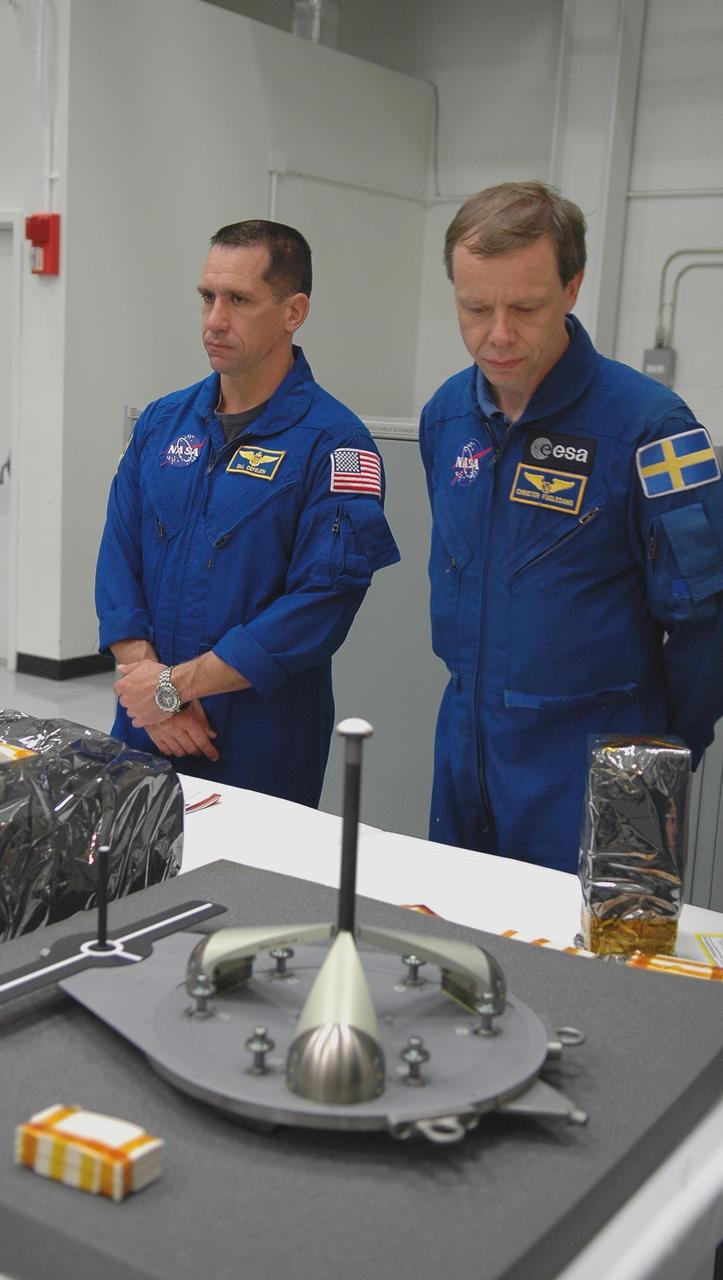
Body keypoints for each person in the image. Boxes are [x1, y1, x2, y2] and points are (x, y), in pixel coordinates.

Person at [420, 181, 723, 874]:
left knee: (599, 970)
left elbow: (704, 622)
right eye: (474, 308)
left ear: (571, 288)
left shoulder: (650, 429)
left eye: (524, 307)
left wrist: (658, 764)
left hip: (603, 758)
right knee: (457, 951)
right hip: (467, 742)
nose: (496, 334)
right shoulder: (447, 418)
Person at [96, 219, 399, 807]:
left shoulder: (335, 445)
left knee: (252, 895)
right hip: (146, 721)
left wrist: (173, 688)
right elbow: (117, 559)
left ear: (294, 311)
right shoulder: (162, 424)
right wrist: (151, 689)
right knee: (131, 891)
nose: (214, 319)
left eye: (238, 300)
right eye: (208, 297)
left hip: (257, 737)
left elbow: (318, 608)